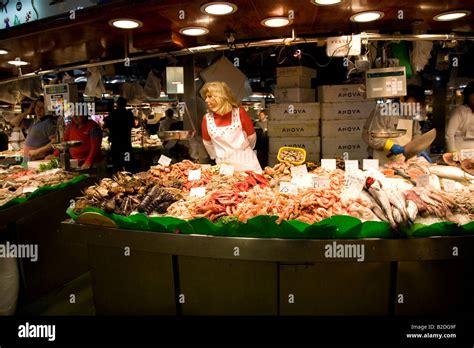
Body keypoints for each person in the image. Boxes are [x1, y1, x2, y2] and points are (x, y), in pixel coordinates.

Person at [363, 84, 432, 164]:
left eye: (418, 105)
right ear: (402, 99)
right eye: (412, 103)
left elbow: (416, 133)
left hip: (402, 162)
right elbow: (369, 136)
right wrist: (390, 145)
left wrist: (418, 147)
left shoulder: (411, 115)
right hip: (379, 161)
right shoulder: (383, 111)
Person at [201, 81, 262, 172]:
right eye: (206, 97)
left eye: (209, 96)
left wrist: (242, 151)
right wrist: (221, 156)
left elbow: (252, 138)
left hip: (247, 163)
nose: (206, 100)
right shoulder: (207, 118)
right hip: (224, 167)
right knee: (228, 186)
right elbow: (208, 144)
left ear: (220, 97)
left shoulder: (240, 112)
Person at [10, 97, 57, 161]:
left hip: (38, 159)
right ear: (34, 107)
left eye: (42, 108)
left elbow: (54, 142)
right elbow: (13, 122)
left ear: (46, 109)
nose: (39, 109)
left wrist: (37, 151)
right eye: (37, 106)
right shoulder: (32, 122)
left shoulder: (48, 122)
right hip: (27, 158)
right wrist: (28, 111)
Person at [104, 97, 134, 172]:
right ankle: (128, 176)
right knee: (127, 162)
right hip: (126, 144)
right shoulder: (129, 114)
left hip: (115, 144)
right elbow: (133, 125)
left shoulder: (113, 113)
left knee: (116, 163)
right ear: (126, 104)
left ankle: (117, 178)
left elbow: (106, 125)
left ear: (117, 104)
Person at [446, 82, 474, 152]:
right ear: (468, 96)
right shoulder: (459, 110)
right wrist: (453, 152)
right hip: (460, 150)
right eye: (473, 94)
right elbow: (450, 134)